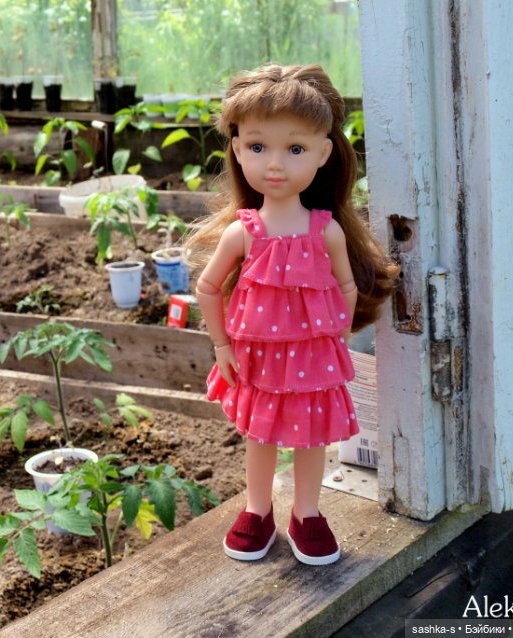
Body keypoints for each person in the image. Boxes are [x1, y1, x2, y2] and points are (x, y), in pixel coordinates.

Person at [185, 64, 399, 566]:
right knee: (259, 435)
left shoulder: (325, 230)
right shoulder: (245, 231)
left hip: (312, 358)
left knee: (311, 435)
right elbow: (208, 286)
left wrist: (337, 332)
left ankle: (307, 512)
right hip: (258, 356)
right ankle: (258, 509)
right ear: (237, 149)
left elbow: (346, 283)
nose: (275, 165)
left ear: (324, 154)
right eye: (258, 147)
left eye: (295, 148)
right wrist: (223, 346)